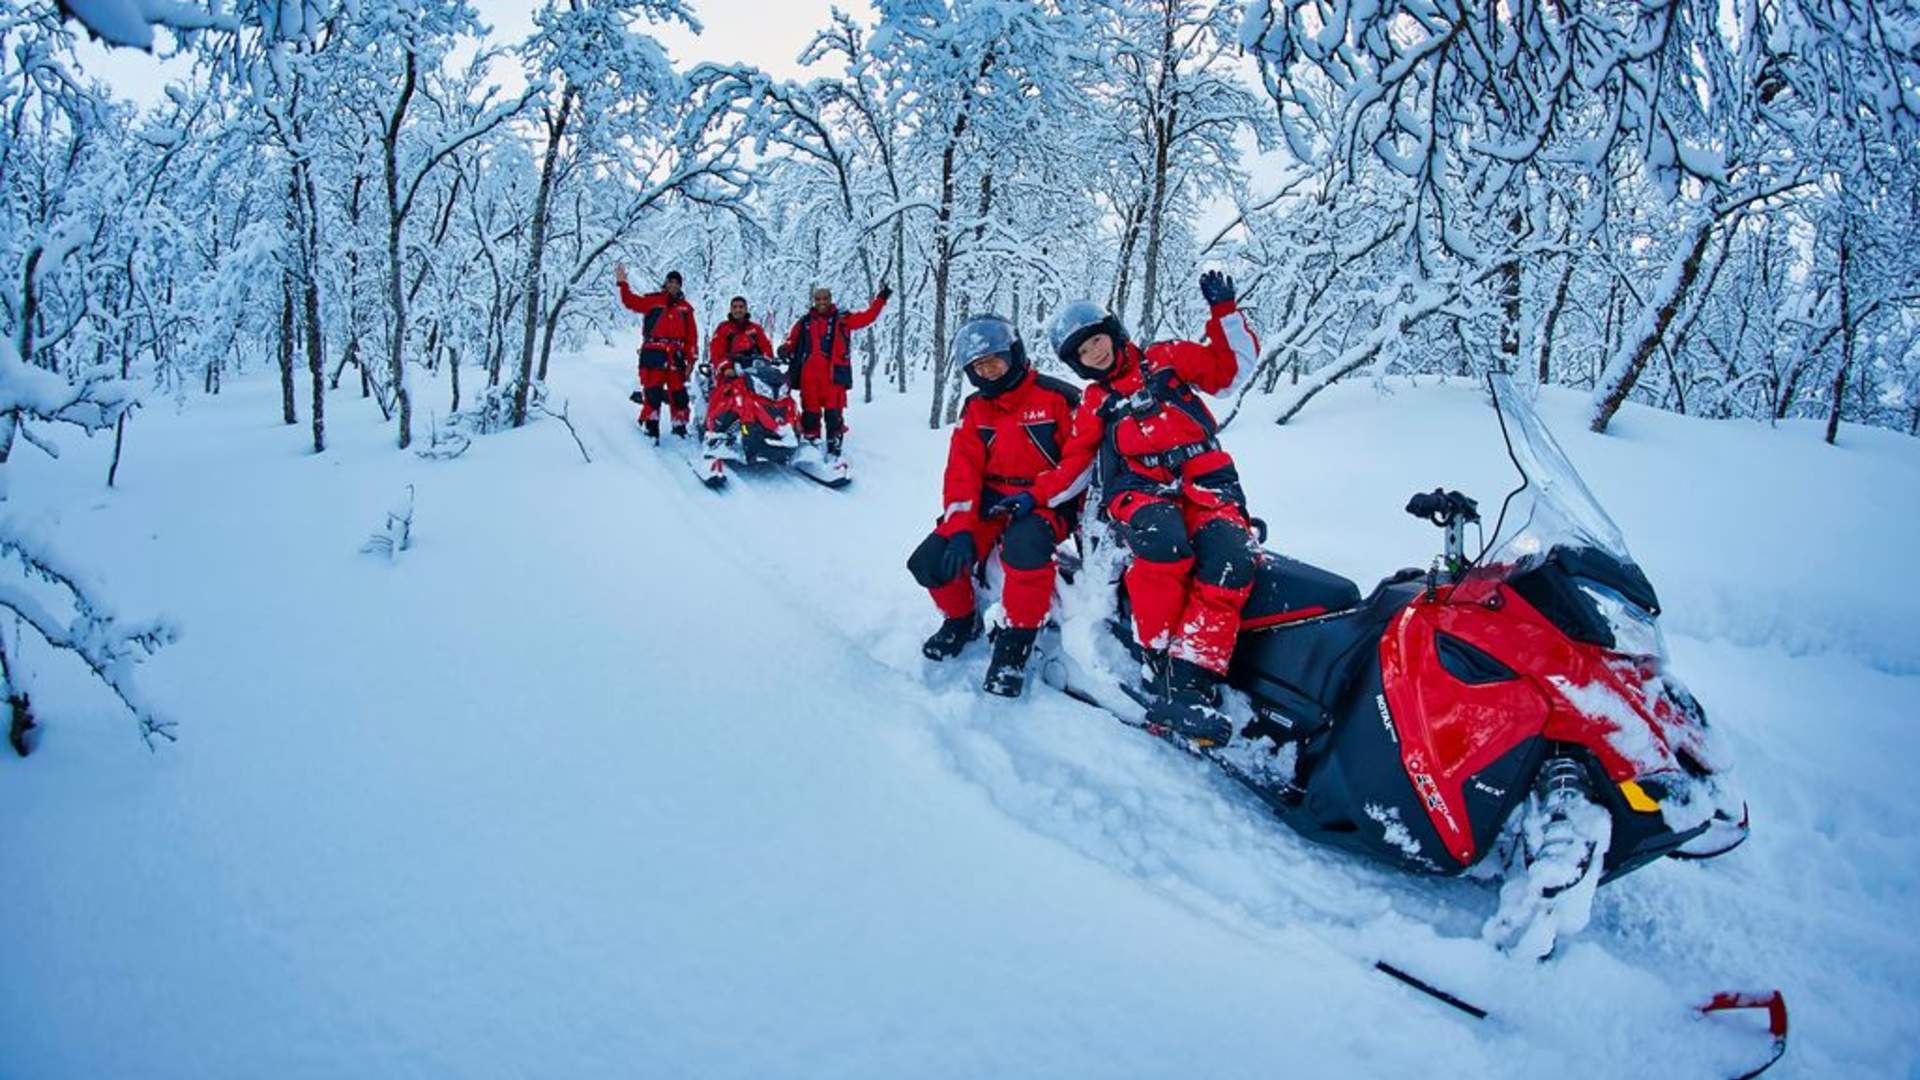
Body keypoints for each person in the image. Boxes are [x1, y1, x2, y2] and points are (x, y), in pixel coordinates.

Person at [999, 272, 1260, 744]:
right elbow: (1075, 464)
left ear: (1113, 333)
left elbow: (1231, 373)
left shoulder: (1167, 359)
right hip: (1139, 491)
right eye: (1083, 353)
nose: (1095, 354)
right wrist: (1035, 496)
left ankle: (1192, 674)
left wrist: (1225, 314)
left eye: (1097, 341)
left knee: (1232, 556)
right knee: (1163, 543)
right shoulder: (1096, 403)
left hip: (1207, 483)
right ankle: (1157, 659)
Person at [906, 316, 1081, 697]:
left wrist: (1046, 501)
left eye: (994, 360)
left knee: (1024, 548)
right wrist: (959, 529)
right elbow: (961, 473)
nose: (988, 371)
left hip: (1046, 499)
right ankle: (961, 620)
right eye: (978, 366)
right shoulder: (975, 409)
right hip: (991, 500)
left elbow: (1078, 465)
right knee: (930, 560)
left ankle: (1015, 645)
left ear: (1014, 354)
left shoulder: (1058, 398)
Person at [777, 283, 890, 457]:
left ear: (830, 300)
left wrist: (880, 300)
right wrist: (785, 348)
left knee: (834, 412)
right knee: (810, 411)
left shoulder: (842, 319)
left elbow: (868, 317)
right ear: (814, 301)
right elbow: (792, 340)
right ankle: (811, 444)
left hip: (832, 375)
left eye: (825, 299)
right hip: (809, 375)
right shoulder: (804, 321)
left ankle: (834, 445)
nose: (822, 302)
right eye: (818, 299)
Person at [615, 264, 699, 440]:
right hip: (654, 352)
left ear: (680, 286)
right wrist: (622, 283)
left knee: (679, 394)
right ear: (666, 283)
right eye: (671, 282)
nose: (673, 285)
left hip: (675, 355)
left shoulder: (686, 309)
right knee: (653, 391)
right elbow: (630, 301)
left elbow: (691, 337)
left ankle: (679, 427)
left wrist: (691, 360)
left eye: (677, 283)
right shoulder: (653, 301)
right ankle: (651, 426)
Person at [702, 295, 776, 450]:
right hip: (730, 370)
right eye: (735, 307)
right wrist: (725, 367)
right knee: (725, 392)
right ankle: (714, 427)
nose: (738, 310)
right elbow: (716, 350)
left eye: (741, 307)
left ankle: (775, 426)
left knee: (769, 395)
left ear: (746, 309)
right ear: (731, 309)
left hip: (753, 370)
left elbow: (766, 347)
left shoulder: (755, 329)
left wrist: (768, 360)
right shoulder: (724, 328)